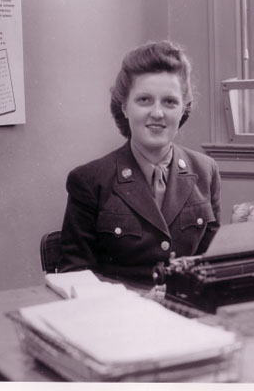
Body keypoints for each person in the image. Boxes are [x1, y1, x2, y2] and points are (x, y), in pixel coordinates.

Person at [58, 40, 221, 285]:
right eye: (144, 100)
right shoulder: (90, 181)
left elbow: (213, 264)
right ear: (124, 107)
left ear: (183, 108)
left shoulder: (206, 171)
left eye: (170, 102)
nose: (157, 113)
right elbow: (75, 274)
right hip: (120, 317)